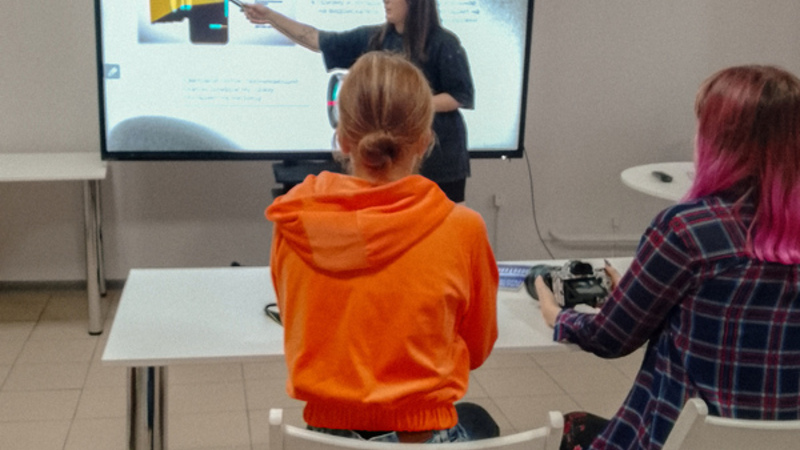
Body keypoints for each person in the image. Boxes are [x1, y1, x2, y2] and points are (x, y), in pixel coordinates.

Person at [535, 65, 800, 450]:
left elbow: (610, 339)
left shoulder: (687, 229)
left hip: (677, 439)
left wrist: (558, 316)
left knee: (570, 429)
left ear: (718, 140)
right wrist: (638, 294)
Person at [265, 51, 499, 443]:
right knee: (481, 422)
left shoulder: (293, 221)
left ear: (343, 138)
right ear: (424, 140)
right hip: (421, 434)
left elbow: (295, 322)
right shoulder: (463, 229)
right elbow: (477, 349)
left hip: (326, 437)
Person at [243, 0, 474, 203]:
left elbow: (459, 95)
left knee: (443, 225)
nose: (385, 1)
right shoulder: (375, 39)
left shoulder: (444, 43)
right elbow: (314, 38)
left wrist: (407, 103)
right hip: (391, 162)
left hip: (441, 161)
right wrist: (270, 17)